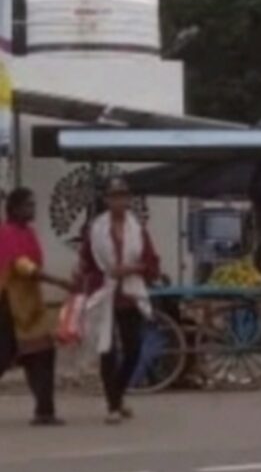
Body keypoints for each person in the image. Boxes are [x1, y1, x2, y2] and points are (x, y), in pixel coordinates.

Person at [79, 176, 160, 425]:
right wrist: (89, 275)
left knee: (133, 348)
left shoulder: (138, 229)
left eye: (123, 197)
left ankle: (118, 392)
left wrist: (131, 268)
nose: (119, 201)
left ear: (128, 200)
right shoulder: (96, 229)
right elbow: (87, 263)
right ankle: (113, 405)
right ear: (107, 200)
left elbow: (152, 263)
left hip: (129, 294)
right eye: (114, 197)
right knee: (107, 349)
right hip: (105, 292)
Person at [0, 188, 72, 425]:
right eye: (28, 205)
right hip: (9, 304)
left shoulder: (28, 232)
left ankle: (44, 411)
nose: (33, 210)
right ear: (15, 208)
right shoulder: (7, 233)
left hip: (30, 305)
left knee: (42, 355)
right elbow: (23, 266)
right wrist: (57, 281)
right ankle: (44, 410)